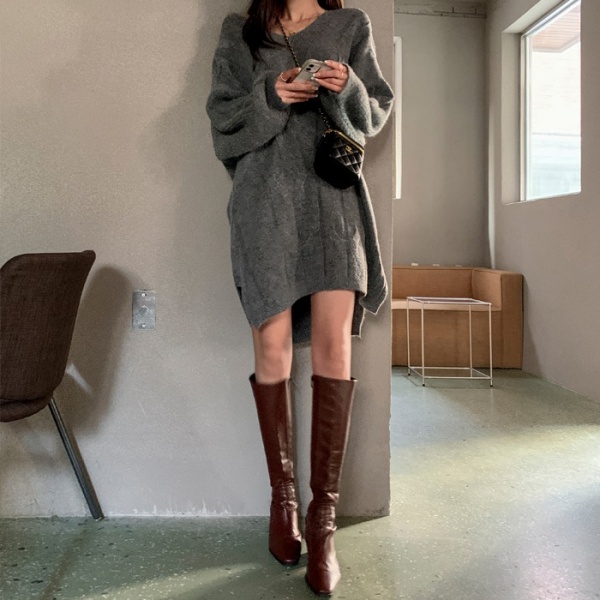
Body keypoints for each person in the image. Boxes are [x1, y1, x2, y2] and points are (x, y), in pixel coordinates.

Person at [206, 0, 393, 595]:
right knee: (272, 344)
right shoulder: (240, 31)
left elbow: (374, 112)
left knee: (336, 344)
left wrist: (346, 84)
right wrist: (272, 95)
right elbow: (222, 118)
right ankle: (282, 501)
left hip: (332, 198)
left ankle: (323, 521)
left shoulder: (351, 24)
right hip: (264, 202)